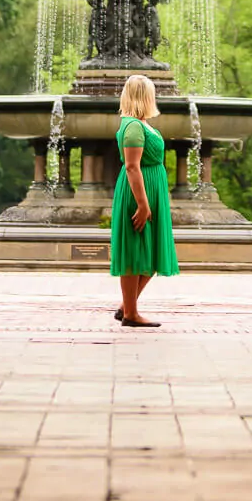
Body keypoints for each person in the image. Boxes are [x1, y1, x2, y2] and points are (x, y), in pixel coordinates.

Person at [110, 74, 179, 327]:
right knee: (135, 251)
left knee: (151, 252)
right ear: (143, 96)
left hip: (152, 192)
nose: (155, 97)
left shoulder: (142, 123)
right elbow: (131, 167)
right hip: (138, 194)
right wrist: (142, 203)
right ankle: (130, 314)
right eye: (151, 92)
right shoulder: (133, 127)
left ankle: (126, 307)